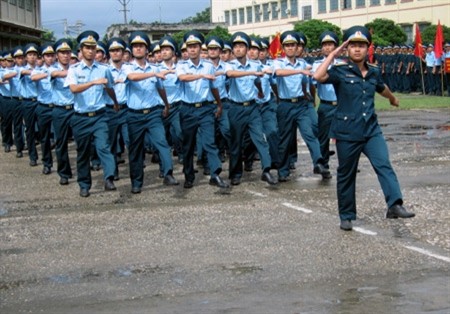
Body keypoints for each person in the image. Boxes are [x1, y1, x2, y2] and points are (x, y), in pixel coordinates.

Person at [313, 25, 415, 231]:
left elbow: (382, 88)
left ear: (368, 48)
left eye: (362, 45)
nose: (357, 49)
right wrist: (333, 53)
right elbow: (318, 76)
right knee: (346, 174)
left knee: (383, 164)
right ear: (347, 49)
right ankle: (347, 215)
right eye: (353, 46)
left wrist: (393, 98)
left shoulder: (374, 72)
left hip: (371, 130)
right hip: (347, 132)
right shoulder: (339, 71)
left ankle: (395, 204)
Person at [65, 30, 119, 197]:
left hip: (100, 115)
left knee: (103, 146)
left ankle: (109, 177)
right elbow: (74, 89)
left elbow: (109, 87)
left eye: (93, 48)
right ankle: (84, 184)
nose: (90, 51)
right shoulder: (74, 70)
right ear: (81, 51)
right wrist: (93, 82)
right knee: (83, 152)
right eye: (86, 48)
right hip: (81, 117)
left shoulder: (104, 69)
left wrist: (115, 102)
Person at [124, 31, 179, 194]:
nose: (138, 49)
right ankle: (136, 182)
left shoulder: (155, 68)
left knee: (162, 142)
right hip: (134, 114)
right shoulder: (128, 67)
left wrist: (167, 105)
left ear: (147, 50)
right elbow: (133, 78)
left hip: (153, 113)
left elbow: (160, 88)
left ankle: (168, 173)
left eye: (141, 46)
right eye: (135, 46)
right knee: (135, 149)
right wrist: (154, 74)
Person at [273, 31, 329, 182]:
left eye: (293, 45)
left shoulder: (303, 63)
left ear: (298, 47)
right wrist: (298, 70)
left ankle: (318, 162)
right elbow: (278, 73)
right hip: (285, 105)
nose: (291, 48)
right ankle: (283, 170)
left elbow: (308, 82)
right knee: (285, 139)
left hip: (301, 105)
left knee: (309, 134)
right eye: (287, 46)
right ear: (283, 48)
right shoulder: (278, 62)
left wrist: (308, 95)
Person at [176, 30, 229, 189]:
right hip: (188, 109)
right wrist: (201, 76)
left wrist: (219, 104)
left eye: (195, 46)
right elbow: (182, 78)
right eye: (189, 46)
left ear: (200, 48)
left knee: (209, 142)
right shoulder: (182, 65)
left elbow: (213, 88)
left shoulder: (208, 66)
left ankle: (215, 174)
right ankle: (189, 175)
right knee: (189, 145)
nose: (192, 49)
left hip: (206, 108)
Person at [225, 32, 277, 186]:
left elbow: (264, 74)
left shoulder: (256, 64)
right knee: (236, 143)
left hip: (253, 107)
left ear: (247, 49)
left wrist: (260, 89)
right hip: (236, 108)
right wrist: (251, 72)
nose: (238, 49)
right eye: (236, 46)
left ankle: (266, 170)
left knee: (260, 139)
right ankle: (235, 173)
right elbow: (230, 74)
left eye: (241, 46)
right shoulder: (230, 64)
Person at [311, 31, 341, 179]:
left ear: (336, 47)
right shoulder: (317, 65)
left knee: (343, 137)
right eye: (325, 45)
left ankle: (345, 165)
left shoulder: (343, 64)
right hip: (326, 105)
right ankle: (324, 165)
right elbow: (314, 82)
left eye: (330, 45)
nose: (327, 48)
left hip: (341, 106)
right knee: (323, 137)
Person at [50, 38, 75, 185]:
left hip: (75, 109)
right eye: (62, 53)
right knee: (61, 143)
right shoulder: (51, 69)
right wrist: (73, 74)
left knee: (82, 141)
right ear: (57, 55)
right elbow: (55, 75)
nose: (65, 56)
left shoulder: (76, 68)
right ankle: (64, 173)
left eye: (67, 53)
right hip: (59, 110)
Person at [31, 43, 56, 175]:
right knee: (44, 137)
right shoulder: (38, 70)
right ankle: (47, 163)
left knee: (60, 138)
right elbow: (33, 77)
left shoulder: (61, 69)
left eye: (52, 55)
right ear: (43, 57)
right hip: (44, 107)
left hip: (57, 107)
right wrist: (48, 74)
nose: (50, 58)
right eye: (47, 56)